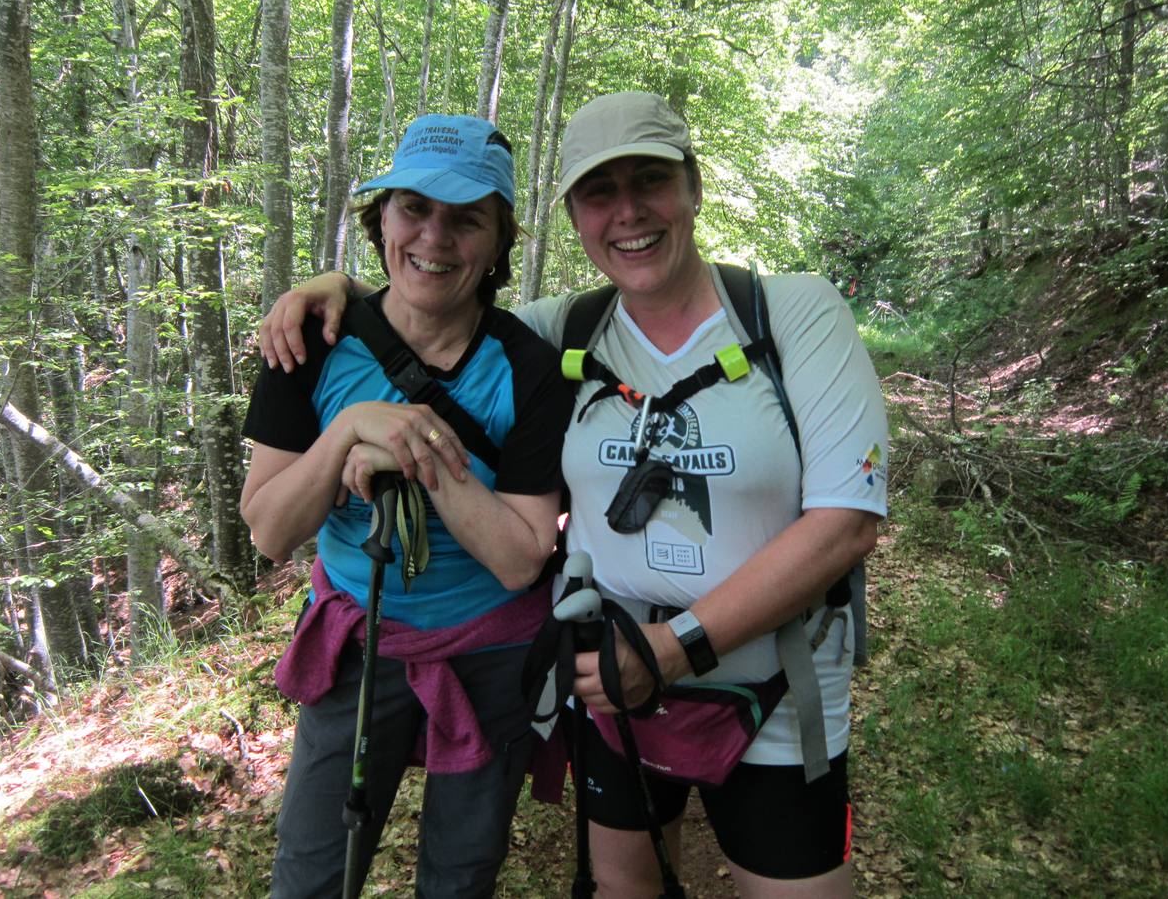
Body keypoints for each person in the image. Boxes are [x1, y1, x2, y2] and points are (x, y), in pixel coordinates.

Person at [259, 92, 888, 898]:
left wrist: (672, 652)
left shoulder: (791, 313)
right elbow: (426, 304)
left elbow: (845, 526)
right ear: (573, 215)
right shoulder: (568, 330)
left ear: (693, 185)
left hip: (764, 686)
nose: (628, 212)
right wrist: (331, 288)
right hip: (609, 681)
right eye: (599, 192)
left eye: (651, 180)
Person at [240, 113, 572, 898]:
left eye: (467, 220)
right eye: (414, 209)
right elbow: (269, 529)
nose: (435, 236)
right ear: (380, 218)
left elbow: (522, 556)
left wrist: (419, 452)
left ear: (498, 243)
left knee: (460, 875)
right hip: (360, 643)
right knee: (311, 876)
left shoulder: (527, 369)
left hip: (493, 653)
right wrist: (351, 428)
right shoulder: (311, 344)